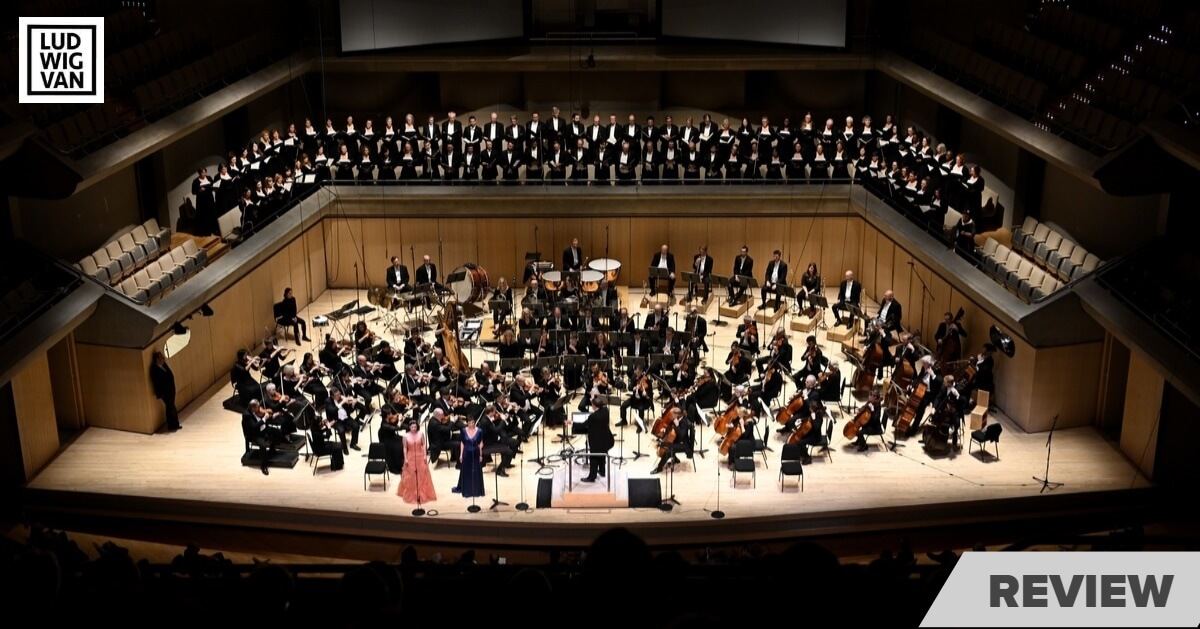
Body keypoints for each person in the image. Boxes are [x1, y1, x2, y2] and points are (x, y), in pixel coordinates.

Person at [399, 420, 437, 503]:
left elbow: (423, 445)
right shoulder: (405, 436)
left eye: (415, 427)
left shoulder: (421, 434)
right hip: (410, 457)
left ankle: (421, 494)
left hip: (420, 456)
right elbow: (405, 448)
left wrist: (425, 455)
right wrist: (406, 458)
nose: (414, 428)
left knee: (422, 475)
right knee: (411, 476)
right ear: (409, 427)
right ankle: (412, 493)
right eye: (412, 427)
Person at [242, 400, 284, 475]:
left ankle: (272, 448)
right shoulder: (247, 415)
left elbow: (264, 419)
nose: (259, 408)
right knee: (263, 446)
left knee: (278, 432)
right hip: (255, 434)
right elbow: (254, 427)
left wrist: (273, 415)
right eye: (257, 407)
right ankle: (264, 465)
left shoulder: (257, 411)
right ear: (252, 408)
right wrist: (264, 418)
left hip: (264, 429)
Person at [581, 396, 614, 482]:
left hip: (597, 440)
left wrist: (572, 422)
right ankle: (602, 471)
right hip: (606, 438)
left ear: (594, 406)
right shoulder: (605, 411)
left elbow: (583, 424)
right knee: (603, 454)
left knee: (594, 457)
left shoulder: (593, 416)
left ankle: (592, 477)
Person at [651, 406, 693, 474]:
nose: (671, 416)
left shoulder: (684, 422)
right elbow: (671, 426)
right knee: (664, 444)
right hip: (678, 441)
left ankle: (659, 468)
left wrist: (677, 425)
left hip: (684, 445)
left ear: (677, 414)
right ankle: (676, 460)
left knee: (668, 450)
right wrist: (665, 429)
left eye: (672, 414)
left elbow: (682, 435)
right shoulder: (676, 419)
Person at [453, 415, 485, 497]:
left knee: (476, 471)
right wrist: (461, 454)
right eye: (470, 423)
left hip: (476, 452)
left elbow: (481, 443)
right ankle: (467, 490)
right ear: (467, 423)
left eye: (473, 422)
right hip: (466, 453)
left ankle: (476, 491)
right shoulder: (464, 430)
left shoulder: (480, 431)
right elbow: (462, 443)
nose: (471, 424)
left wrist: (480, 454)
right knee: (467, 472)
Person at [150, 351, 180, 432]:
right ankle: (174, 424)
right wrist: (160, 393)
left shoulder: (164, 365)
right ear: (157, 360)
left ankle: (172, 425)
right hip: (164, 392)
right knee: (171, 407)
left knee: (169, 407)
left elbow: (170, 375)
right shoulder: (154, 369)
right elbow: (156, 383)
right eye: (161, 358)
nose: (163, 359)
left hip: (171, 390)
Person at [851, 387, 885, 452]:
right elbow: (864, 407)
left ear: (875, 397)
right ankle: (859, 441)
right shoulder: (870, 402)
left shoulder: (877, 406)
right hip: (870, 424)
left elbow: (876, 418)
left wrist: (872, 410)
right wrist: (859, 410)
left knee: (859, 432)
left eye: (870, 396)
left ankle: (863, 446)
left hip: (875, 428)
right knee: (858, 427)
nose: (868, 397)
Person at [378, 409, 405, 474]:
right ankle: (398, 465)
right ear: (387, 416)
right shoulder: (384, 424)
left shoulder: (389, 420)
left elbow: (395, 424)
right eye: (390, 414)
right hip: (387, 440)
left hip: (392, 436)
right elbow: (397, 428)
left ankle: (404, 461)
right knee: (398, 447)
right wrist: (400, 420)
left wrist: (402, 419)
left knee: (404, 440)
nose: (392, 415)